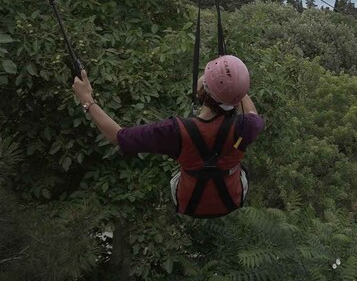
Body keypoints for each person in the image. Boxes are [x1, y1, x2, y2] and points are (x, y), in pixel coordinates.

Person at [71, 54, 264, 218]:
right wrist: (235, 84)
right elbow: (251, 111)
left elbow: (118, 136)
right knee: (238, 167)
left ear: (201, 90)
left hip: (189, 201)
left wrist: (87, 100)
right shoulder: (246, 126)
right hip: (231, 198)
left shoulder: (174, 131)